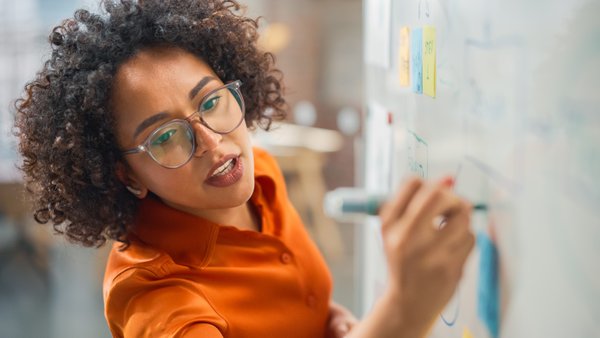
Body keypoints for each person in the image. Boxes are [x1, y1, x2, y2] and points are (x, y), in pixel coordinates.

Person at [13, 1, 475, 337]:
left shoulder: (259, 177)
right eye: (166, 137)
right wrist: (402, 315)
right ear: (125, 174)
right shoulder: (165, 307)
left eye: (211, 101)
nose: (215, 144)